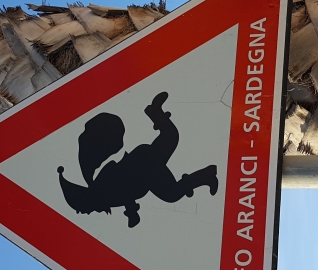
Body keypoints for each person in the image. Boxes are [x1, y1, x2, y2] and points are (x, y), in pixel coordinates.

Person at [58, 91, 218, 227]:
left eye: (85, 209)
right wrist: (132, 215)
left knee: (171, 193)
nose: (88, 212)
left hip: (146, 167)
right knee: (170, 136)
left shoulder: (101, 188)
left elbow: (122, 186)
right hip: (145, 162)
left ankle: (206, 176)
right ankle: (155, 112)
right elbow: (126, 197)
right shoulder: (105, 195)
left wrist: (132, 214)